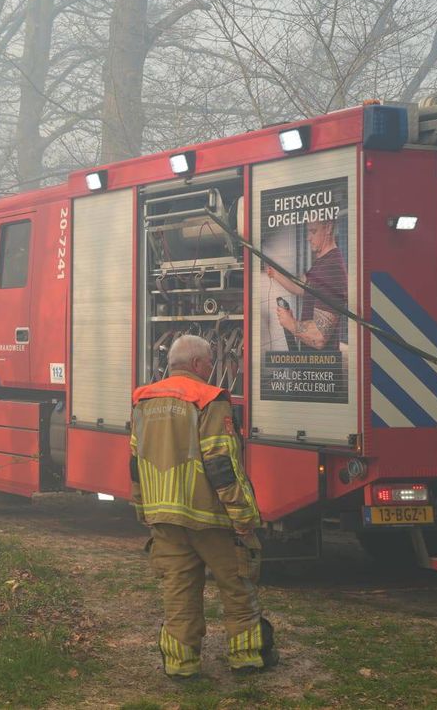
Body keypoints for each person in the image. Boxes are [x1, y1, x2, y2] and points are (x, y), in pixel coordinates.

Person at [129, 335, 276, 678]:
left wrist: (143, 510)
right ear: (197, 364)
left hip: (164, 519)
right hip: (212, 520)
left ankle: (181, 665)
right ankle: (246, 658)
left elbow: (135, 464)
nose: (212, 369)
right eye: (211, 363)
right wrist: (242, 516)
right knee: (237, 586)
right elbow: (222, 465)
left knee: (178, 592)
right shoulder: (209, 400)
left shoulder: (144, 401)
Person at [266, 219, 346, 351]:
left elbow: (319, 337)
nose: (308, 238)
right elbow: (300, 287)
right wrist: (275, 274)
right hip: (311, 363)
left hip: (322, 368)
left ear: (328, 228)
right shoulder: (321, 263)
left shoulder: (331, 268)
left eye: (313, 231)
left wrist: (290, 323)